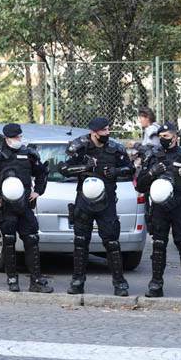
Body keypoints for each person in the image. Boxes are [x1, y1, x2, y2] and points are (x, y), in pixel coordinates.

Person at [59, 117, 134, 297]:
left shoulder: (115, 148)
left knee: (112, 242)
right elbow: (63, 169)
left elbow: (130, 169)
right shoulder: (80, 147)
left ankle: (119, 283)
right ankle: (77, 281)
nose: (107, 133)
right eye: (104, 130)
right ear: (94, 133)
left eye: (108, 129)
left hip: (106, 201)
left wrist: (116, 171)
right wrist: (84, 167)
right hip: (84, 201)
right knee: (80, 242)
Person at [0, 123, 53, 293]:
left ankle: (36, 281)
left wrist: (38, 191)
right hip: (5, 206)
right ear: (7, 138)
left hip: (24, 205)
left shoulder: (28, 154)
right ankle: (12, 279)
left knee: (32, 239)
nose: (18, 139)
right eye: (15, 137)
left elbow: (42, 171)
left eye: (20, 136)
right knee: (9, 241)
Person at [136, 121, 181, 299]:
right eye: (160, 137)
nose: (163, 139)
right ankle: (156, 284)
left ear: (175, 136)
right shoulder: (153, 156)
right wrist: (152, 172)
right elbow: (140, 185)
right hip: (160, 208)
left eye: (166, 136)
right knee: (158, 245)